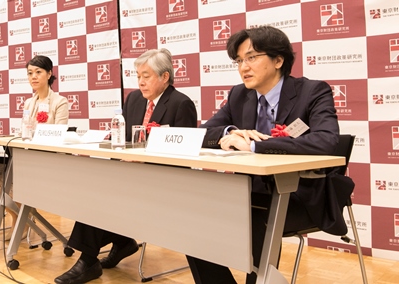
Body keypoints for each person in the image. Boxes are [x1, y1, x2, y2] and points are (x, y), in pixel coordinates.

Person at [187, 26, 341, 283]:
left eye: (252, 57)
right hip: (247, 193)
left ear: (278, 60)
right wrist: (231, 132)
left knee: (255, 216)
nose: (243, 67)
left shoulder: (312, 92)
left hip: (297, 195)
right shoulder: (240, 94)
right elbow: (202, 133)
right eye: (239, 60)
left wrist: (257, 146)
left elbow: (326, 141)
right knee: (190, 218)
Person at [55, 48, 198, 284]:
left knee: (104, 194)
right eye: (138, 75)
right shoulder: (133, 99)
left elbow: (185, 156)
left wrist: (148, 158)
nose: (140, 82)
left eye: (146, 76)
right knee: (97, 187)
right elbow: (125, 140)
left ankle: (90, 260)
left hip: (161, 181)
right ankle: (119, 244)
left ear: (165, 77)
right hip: (130, 174)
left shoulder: (180, 104)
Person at [0, 55, 69, 240]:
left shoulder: (60, 102)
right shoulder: (29, 103)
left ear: (49, 74)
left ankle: (22, 221)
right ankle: (19, 217)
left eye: (38, 72)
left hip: (48, 160)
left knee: (14, 179)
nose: (33, 77)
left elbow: (59, 135)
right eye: (29, 73)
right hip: (25, 158)